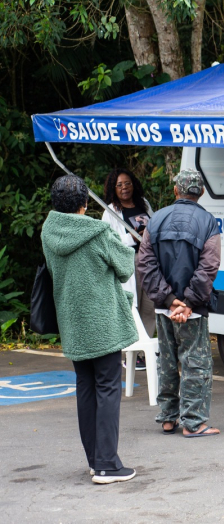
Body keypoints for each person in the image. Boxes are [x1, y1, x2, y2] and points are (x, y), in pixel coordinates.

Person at [40, 175, 138, 484]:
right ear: (84, 204)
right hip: (103, 322)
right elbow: (125, 267)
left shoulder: (48, 232)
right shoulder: (99, 231)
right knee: (108, 388)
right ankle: (108, 464)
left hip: (72, 320)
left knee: (85, 386)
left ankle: (96, 461)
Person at [137, 169, 221, 437]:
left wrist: (170, 300)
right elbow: (208, 267)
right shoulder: (208, 222)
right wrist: (187, 303)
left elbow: (145, 264)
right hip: (192, 311)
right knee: (196, 361)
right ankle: (194, 423)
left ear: (176, 191)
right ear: (202, 192)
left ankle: (168, 417)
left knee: (167, 360)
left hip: (164, 307)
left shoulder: (156, 219)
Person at [101, 168, 155, 371]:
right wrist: (129, 238)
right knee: (132, 306)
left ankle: (144, 352)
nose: (124, 188)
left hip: (150, 260)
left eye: (128, 183)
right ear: (113, 188)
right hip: (128, 260)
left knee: (149, 306)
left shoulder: (144, 204)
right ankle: (130, 352)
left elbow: (155, 224)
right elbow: (106, 241)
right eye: (120, 185)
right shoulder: (110, 211)